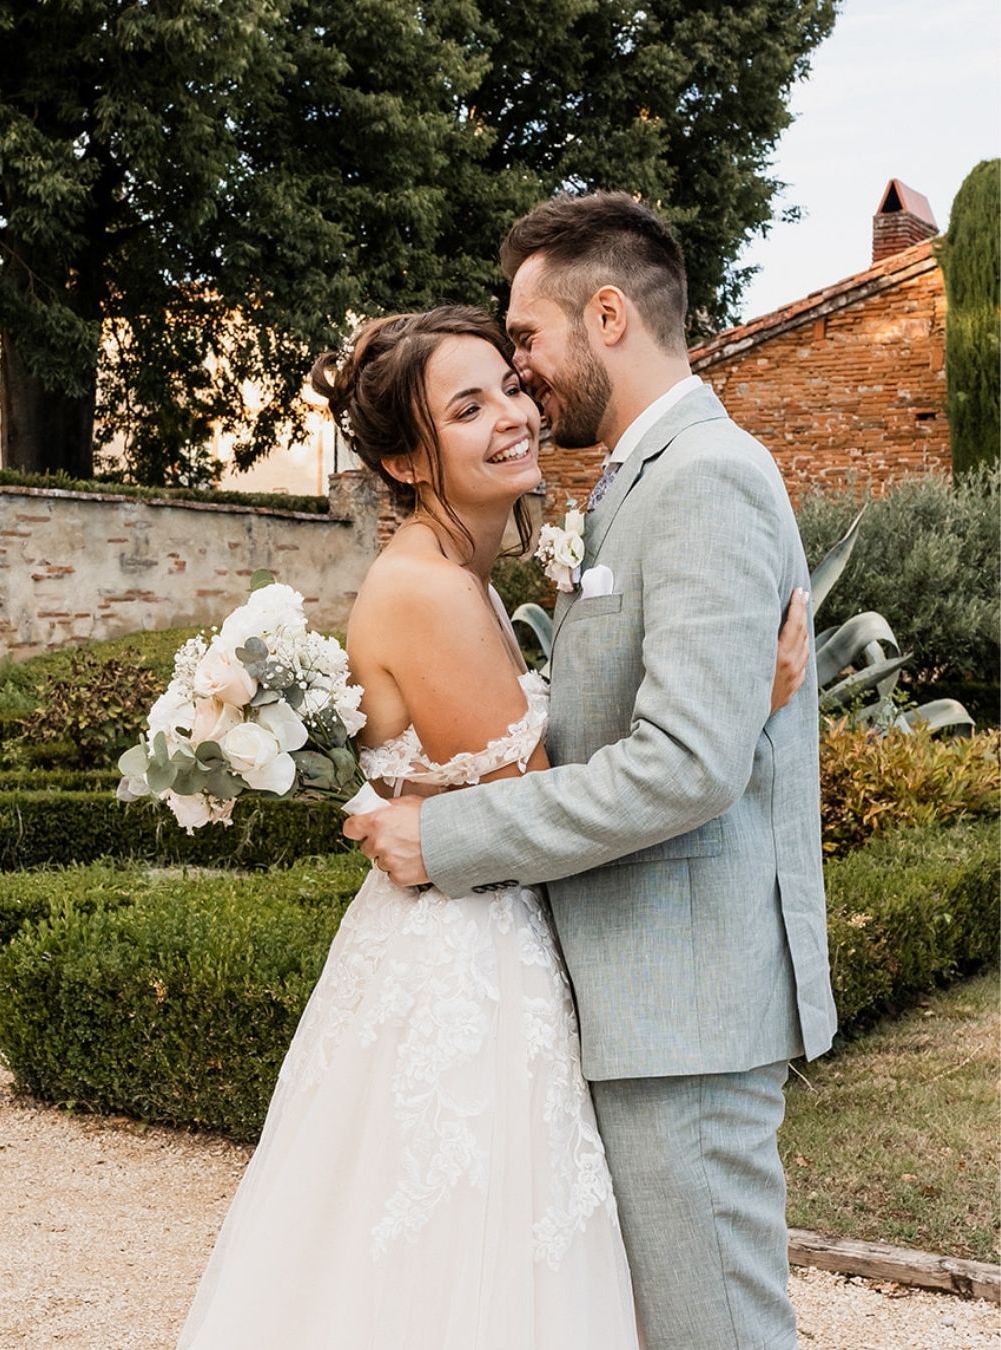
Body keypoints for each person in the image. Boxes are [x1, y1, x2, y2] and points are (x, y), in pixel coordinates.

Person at [177, 301, 810, 1349]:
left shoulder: (458, 575)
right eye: (467, 407)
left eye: (509, 387)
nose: (513, 414)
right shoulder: (431, 592)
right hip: (472, 961)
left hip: (476, 934)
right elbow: (553, 784)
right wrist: (745, 699)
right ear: (407, 462)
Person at [345, 193, 837, 1350]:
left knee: (717, 1330)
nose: (522, 377)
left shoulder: (704, 474)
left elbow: (681, 766)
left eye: (524, 341)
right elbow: (672, 735)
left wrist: (447, 839)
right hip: (637, 997)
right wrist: (740, 713)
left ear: (606, 313)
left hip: (685, 1008)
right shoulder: (637, 475)